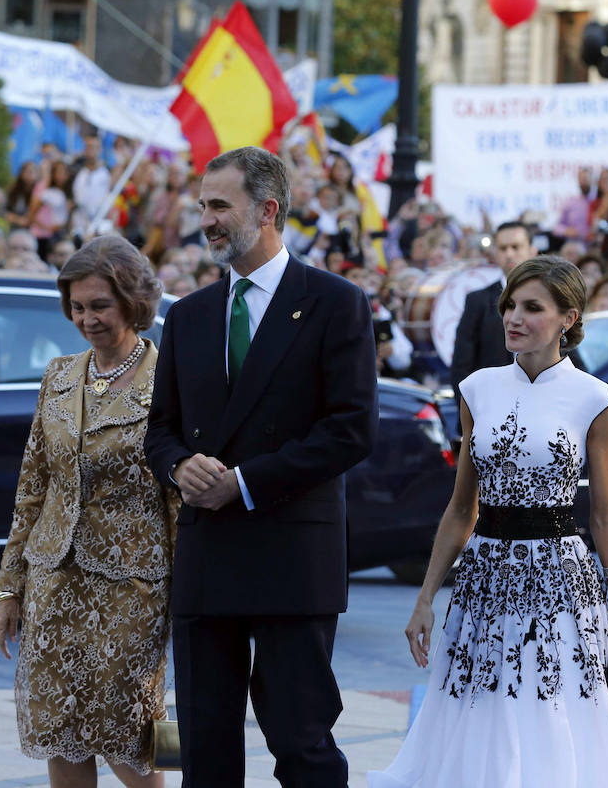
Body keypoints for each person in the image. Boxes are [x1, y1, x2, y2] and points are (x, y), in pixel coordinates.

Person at [144, 146, 378, 787]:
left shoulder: (335, 303)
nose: (206, 220)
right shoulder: (188, 316)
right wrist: (179, 467)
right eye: (202, 207)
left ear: (268, 210)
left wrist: (243, 483)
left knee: (303, 746)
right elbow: (159, 428)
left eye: (220, 206)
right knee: (203, 756)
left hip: (291, 559)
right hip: (206, 561)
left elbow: (352, 429)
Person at [369, 256, 608, 788]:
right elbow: (460, 509)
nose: (513, 318)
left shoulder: (595, 398)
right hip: (483, 582)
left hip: (562, 585)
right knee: (482, 720)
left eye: (532, 308)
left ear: (568, 317)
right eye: (509, 307)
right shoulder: (477, 388)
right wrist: (425, 598)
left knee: (551, 717)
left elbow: (604, 516)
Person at [0, 236, 176, 788]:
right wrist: (9, 589)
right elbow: (33, 488)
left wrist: (192, 594)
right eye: (77, 307)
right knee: (60, 728)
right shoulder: (60, 374)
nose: (87, 319)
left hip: (134, 589)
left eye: (100, 305)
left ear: (133, 301)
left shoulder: (168, 378)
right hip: (54, 581)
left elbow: (179, 497)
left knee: (134, 735)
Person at [450, 221, 536, 402]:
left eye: (516, 247)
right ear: (495, 253)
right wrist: (472, 414)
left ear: (532, 250)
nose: (509, 253)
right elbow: (461, 365)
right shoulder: (477, 301)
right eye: (503, 248)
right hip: (489, 406)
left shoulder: (550, 300)